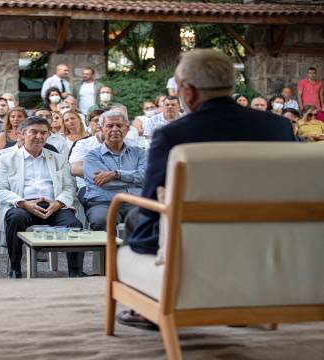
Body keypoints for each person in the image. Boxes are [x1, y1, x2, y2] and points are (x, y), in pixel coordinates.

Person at [122, 48, 295, 330]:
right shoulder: (278, 128)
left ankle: (151, 305)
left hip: (191, 244)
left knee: (134, 218)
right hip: (265, 243)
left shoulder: (172, 135)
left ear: (188, 92)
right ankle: (244, 302)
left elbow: (151, 203)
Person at [0, 116, 83, 278]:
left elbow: (69, 187)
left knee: (74, 223)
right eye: (33, 132)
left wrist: (59, 203)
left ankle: (75, 271)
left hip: (53, 205)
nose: (39, 137)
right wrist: (23, 203)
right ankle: (15, 266)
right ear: (22, 134)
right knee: (15, 218)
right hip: (22, 205)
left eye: (43, 133)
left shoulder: (57, 158)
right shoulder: (7, 158)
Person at [83, 109, 147, 230]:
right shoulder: (92, 156)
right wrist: (133, 179)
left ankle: (135, 249)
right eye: (109, 126)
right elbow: (104, 183)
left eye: (119, 125)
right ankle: (109, 250)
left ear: (127, 129)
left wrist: (115, 174)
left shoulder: (139, 153)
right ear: (101, 129)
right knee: (101, 220)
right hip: (104, 204)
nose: (115, 129)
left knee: (147, 219)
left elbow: (146, 177)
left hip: (135, 203)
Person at [69, 110, 105, 201]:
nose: (100, 123)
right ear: (88, 123)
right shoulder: (82, 144)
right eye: (96, 120)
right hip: (89, 187)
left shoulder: (124, 142)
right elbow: (75, 169)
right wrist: (111, 175)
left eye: (103, 120)